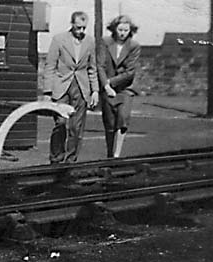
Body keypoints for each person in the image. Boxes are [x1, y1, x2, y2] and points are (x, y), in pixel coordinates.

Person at [43, 11, 100, 164]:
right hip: (61, 87)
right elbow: (50, 66)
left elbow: (92, 68)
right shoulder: (59, 40)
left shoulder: (90, 42)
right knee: (60, 123)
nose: (81, 31)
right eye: (78, 28)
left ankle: (70, 161)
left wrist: (95, 90)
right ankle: (56, 158)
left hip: (81, 88)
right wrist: (48, 92)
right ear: (72, 24)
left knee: (76, 127)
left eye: (84, 28)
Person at [97, 15, 141, 158]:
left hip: (125, 89)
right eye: (120, 29)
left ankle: (117, 154)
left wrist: (111, 82)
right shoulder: (105, 42)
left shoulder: (134, 46)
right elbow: (100, 66)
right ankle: (110, 153)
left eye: (126, 30)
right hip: (107, 89)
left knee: (123, 119)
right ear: (114, 28)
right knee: (109, 123)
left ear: (130, 30)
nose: (122, 33)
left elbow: (130, 72)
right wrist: (106, 86)